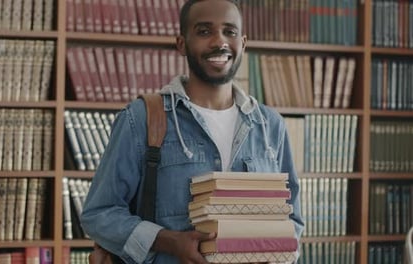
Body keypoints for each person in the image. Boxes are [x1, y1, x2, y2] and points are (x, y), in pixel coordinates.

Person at [80, 0, 304, 263]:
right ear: (182, 44)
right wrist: (168, 241)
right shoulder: (142, 118)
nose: (219, 42)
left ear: (243, 42)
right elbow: (99, 213)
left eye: (229, 31)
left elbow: (292, 221)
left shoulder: (270, 125)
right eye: (204, 31)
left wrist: (277, 253)